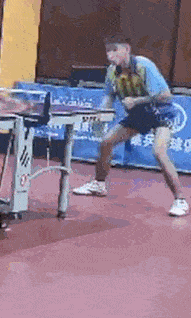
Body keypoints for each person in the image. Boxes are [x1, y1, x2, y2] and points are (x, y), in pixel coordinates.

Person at [73, 35, 188, 217]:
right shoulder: (112, 72)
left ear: (126, 49)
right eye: (108, 51)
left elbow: (166, 95)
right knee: (106, 142)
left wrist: (137, 100)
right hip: (138, 116)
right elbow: (108, 97)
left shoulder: (143, 66)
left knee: (159, 152)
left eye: (115, 50)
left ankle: (180, 200)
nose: (110, 55)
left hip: (161, 114)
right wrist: (100, 117)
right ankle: (99, 184)